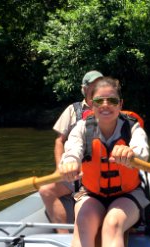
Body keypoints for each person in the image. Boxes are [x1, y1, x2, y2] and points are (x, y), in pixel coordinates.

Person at [59, 77, 150, 247]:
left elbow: (142, 151)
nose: (106, 105)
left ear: (120, 103)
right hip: (92, 193)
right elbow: (71, 151)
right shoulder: (81, 128)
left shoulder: (132, 128)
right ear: (91, 104)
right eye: (100, 100)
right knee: (83, 223)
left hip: (127, 195)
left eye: (112, 100)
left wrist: (131, 154)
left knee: (113, 223)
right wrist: (69, 163)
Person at [39, 70, 103, 233]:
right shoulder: (73, 110)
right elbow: (60, 141)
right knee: (46, 190)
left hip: (98, 171)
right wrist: (60, 167)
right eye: (93, 85)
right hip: (74, 172)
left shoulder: (107, 107)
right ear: (85, 88)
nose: (97, 88)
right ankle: (63, 237)